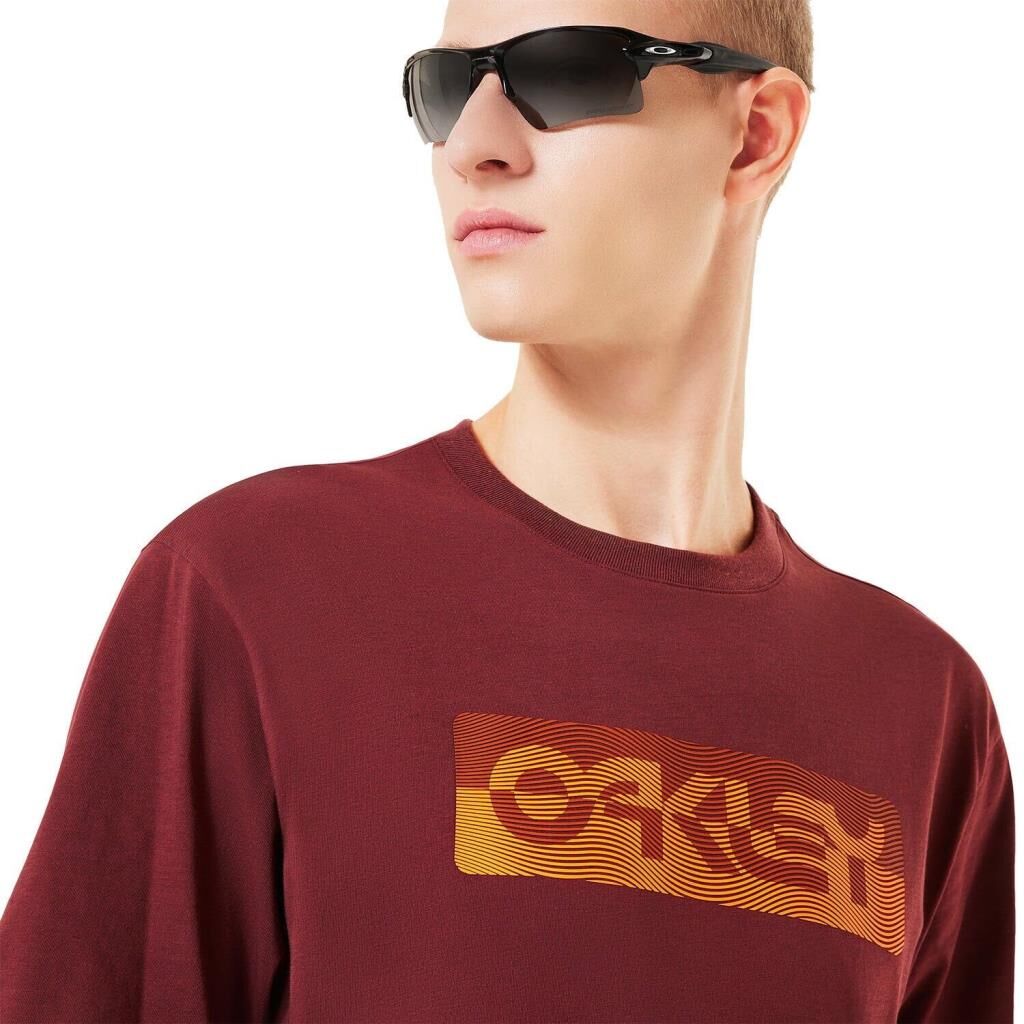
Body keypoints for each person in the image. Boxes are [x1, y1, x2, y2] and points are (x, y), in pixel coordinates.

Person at [1, 1, 1013, 1022]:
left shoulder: (922, 705)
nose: (471, 146)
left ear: (756, 135)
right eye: (447, 89)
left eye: (565, 71)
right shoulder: (259, 589)